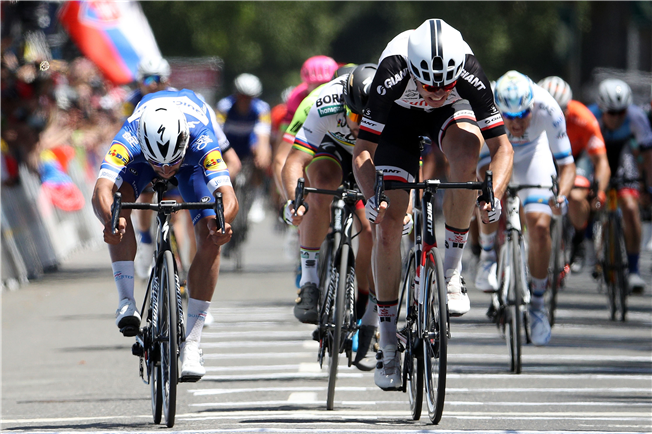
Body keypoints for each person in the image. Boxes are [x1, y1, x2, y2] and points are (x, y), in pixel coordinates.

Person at [352, 19, 514, 391]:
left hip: (450, 121)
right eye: (427, 84)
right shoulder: (392, 71)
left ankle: (452, 274)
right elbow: (363, 151)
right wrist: (370, 194)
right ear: (413, 69)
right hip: (397, 122)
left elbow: (502, 147)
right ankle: (389, 343)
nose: (435, 91)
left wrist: (495, 194)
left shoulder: (470, 73)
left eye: (444, 84)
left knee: (467, 150)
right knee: (389, 227)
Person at [92, 89, 239, 381]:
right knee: (119, 207)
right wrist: (109, 220)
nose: (165, 170)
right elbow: (100, 191)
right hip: (140, 162)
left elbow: (227, 195)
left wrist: (223, 223)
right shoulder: (130, 134)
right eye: (160, 163)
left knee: (211, 233)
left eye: (170, 162)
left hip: (192, 164)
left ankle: (193, 343)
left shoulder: (201, 136)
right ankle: (126, 301)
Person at [280, 64, 380, 368]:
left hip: (374, 153)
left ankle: (368, 308)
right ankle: (309, 282)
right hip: (332, 149)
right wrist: (293, 202)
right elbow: (293, 161)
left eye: (365, 119)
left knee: (374, 230)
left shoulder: (391, 108)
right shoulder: (323, 103)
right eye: (353, 117)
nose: (357, 125)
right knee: (320, 185)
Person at [476, 71, 576, 346]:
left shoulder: (548, 107)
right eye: (510, 117)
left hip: (534, 154)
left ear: (533, 106)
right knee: (486, 193)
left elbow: (567, 165)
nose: (517, 123)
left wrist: (561, 196)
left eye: (523, 115)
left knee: (540, 225)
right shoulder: (485, 102)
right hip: (495, 149)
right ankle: (487, 256)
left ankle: (537, 305)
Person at [538, 76, 611, 272]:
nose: (554, 115)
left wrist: (601, 191)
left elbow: (601, 161)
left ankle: (579, 239)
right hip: (546, 155)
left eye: (560, 110)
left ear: (568, 108)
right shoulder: (530, 116)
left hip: (576, 157)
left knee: (577, 195)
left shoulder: (584, 118)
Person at [588, 78, 652, 293]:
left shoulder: (637, 117)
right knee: (588, 196)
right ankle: (589, 244)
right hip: (598, 155)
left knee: (631, 207)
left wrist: (646, 187)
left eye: (621, 112)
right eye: (611, 113)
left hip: (624, 155)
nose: (616, 118)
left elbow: (647, 155)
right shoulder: (591, 116)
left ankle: (633, 270)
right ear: (601, 109)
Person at [271, 55, 339, 200]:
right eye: (314, 86)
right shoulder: (296, 99)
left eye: (325, 84)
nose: (320, 92)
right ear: (306, 85)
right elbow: (281, 157)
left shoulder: (347, 79)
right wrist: (288, 198)